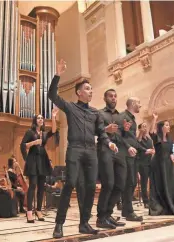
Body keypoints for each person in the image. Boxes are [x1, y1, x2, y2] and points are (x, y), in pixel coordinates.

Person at [48, 59, 118, 238]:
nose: (91, 91)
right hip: (75, 149)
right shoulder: (70, 107)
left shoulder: (95, 113)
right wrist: (57, 74)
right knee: (70, 183)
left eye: (91, 89)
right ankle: (59, 224)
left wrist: (109, 142)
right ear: (79, 93)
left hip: (91, 151)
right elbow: (52, 95)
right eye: (87, 89)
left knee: (89, 187)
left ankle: (84, 223)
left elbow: (101, 133)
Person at [96, 89, 135, 229]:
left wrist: (127, 141)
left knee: (120, 185)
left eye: (115, 96)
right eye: (110, 96)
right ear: (105, 98)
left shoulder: (119, 116)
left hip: (119, 151)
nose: (113, 98)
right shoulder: (100, 113)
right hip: (105, 149)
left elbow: (121, 135)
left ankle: (108, 214)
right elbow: (97, 131)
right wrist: (106, 129)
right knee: (109, 184)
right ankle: (101, 217)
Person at [20, 108, 58, 223]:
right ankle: (29, 212)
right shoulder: (30, 132)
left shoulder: (44, 133)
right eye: (38, 118)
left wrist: (54, 116)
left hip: (42, 161)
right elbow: (22, 145)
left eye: (42, 118)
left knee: (41, 187)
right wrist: (33, 143)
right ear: (35, 120)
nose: (40, 119)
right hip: (33, 160)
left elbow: (54, 131)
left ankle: (39, 210)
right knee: (32, 186)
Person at [148, 113, 174, 216]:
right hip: (158, 164)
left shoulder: (170, 139)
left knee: (173, 183)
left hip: (168, 163)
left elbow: (171, 151)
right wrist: (154, 119)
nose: (168, 126)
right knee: (160, 184)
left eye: (168, 125)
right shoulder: (156, 137)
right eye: (166, 125)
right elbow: (151, 131)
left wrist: (173, 157)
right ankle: (161, 206)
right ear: (161, 127)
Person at [119, 97, 146, 221]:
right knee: (129, 183)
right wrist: (128, 146)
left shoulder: (132, 119)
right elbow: (119, 135)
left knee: (132, 182)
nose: (140, 105)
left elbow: (132, 138)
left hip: (134, 155)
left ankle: (126, 210)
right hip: (126, 154)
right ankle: (128, 212)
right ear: (133, 103)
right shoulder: (123, 116)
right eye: (139, 103)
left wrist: (143, 149)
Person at [134, 122, 155, 209]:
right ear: (139, 129)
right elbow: (138, 144)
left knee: (153, 181)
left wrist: (152, 151)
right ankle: (146, 201)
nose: (145, 128)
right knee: (144, 182)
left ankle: (153, 199)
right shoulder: (138, 139)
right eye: (143, 127)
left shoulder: (149, 140)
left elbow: (152, 149)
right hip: (142, 163)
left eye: (146, 126)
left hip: (150, 162)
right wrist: (147, 150)